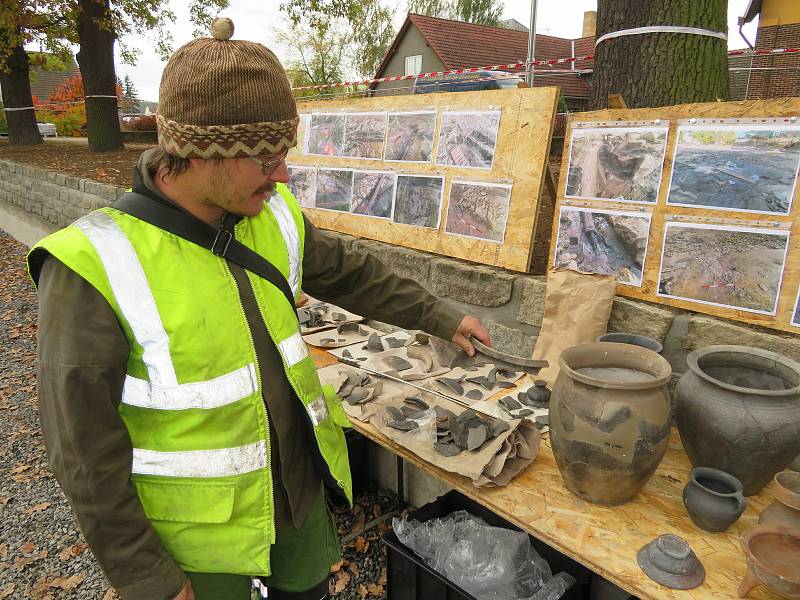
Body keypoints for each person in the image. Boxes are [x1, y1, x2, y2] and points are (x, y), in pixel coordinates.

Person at [27, 17, 490, 600]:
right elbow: (83, 453)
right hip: (200, 552)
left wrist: (440, 315)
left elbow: (350, 272)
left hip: (296, 507)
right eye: (265, 156)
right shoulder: (90, 267)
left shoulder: (269, 213)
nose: (284, 173)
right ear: (200, 152)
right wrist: (147, 577)